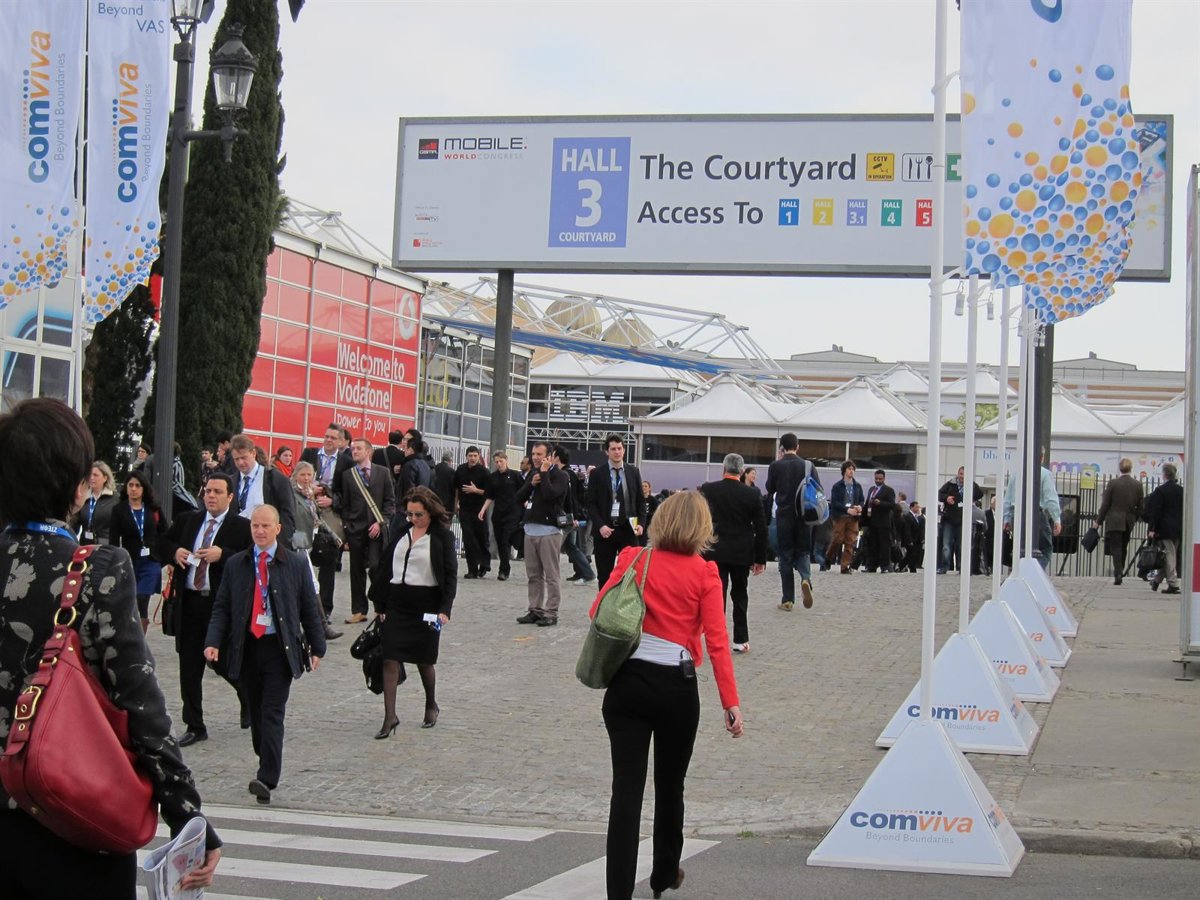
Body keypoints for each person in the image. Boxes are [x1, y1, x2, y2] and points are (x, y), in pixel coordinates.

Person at [0, 398, 221, 895]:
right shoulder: (94, 568)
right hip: (68, 810)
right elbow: (138, 699)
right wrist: (186, 812)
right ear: (78, 487)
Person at [593, 491, 743, 900]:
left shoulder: (632, 558)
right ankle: (662, 875)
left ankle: (618, 893)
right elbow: (717, 642)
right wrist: (730, 702)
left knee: (625, 793)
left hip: (627, 683)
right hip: (676, 687)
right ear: (702, 529)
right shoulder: (705, 573)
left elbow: (598, 612)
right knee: (670, 786)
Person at [204, 506, 327, 806]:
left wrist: (317, 646)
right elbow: (222, 606)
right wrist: (213, 641)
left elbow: (309, 608)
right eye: (255, 526)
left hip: (279, 648)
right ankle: (265, 754)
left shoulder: (294, 563)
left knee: (272, 711)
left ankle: (267, 777)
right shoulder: (237, 563)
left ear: (277, 529)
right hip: (246, 647)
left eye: (265, 526)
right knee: (256, 711)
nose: (259, 531)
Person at [156, 472, 253, 746]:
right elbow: (161, 542)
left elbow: (253, 558)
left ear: (230, 497)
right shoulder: (188, 520)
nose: (211, 496)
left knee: (222, 662)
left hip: (219, 604)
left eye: (217, 492)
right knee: (189, 666)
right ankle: (195, 725)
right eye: (208, 491)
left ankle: (246, 694)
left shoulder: (241, 527)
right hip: (189, 601)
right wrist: (174, 552)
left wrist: (223, 555)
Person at [370, 486, 457, 736]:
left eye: (419, 514)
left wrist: (445, 609)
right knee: (390, 657)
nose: (414, 519)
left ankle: (431, 703)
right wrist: (380, 605)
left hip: (427, 605)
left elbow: (450, 575)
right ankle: (390, 717)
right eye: (410, 514)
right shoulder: (401, 532)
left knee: (424, 659)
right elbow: (385, 569)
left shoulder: (442, 537)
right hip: (397, 603)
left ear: (430, 512)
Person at [699, 453, 767, 653]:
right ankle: (740, 639)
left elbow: (700, 519)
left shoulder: (708, 490)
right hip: (741, 551)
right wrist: (760, 558)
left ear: (724, 468)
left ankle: (715, 638)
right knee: (740, 595)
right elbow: (761, 528)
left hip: (714, 550)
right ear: (742, 471)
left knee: (715, 596)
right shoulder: (752, 494)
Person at [337, 438, 396, 624]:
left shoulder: (383, 472)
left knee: (377, 567)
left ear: (368, 452)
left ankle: (380, 607)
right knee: (356, 571)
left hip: (377, 529)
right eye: (353, 448)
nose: (354, 451)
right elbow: (346, 504)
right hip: (356, 529)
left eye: (358, 448)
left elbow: (390, 501)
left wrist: (381, 522)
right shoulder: (348, 475)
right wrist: (348, 526)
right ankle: (359, 610)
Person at [515, 442, 569, 626]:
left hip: (549, 532)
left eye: (539, 454)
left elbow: (550, 494)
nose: (535, 458)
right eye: (533, 454)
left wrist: (545, 474)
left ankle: (551, 612)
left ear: (550, 456)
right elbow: (518, 498)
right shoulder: (533, 474)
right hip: (530, 530)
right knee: (533, 575)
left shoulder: (561, 475)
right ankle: (535, 609)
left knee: (551, 574)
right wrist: (531, 484)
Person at [108, 470, 168, 633]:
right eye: (131, 485)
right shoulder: (119, 510)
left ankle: (140, 634)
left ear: (144, 488)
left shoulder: (153, 509)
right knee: (131, 599)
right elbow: (113, 539)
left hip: (150, 562)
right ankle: (133, 633)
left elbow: (165, 532)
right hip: (130, 561)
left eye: (137, 485)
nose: (133, 489)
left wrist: (163, 557)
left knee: (142, 597)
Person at [586, 435, 648, 588]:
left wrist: (641, 523)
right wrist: (600, 525)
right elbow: (591, 503)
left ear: (624, 450)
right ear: (607, 451)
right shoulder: (597, 474)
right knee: (604, 576)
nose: (617, 452)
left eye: (620, 448)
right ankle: (604, 602)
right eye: (613, 449)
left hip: (628, 529)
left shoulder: (633, 472)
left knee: (630, 573)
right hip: (605, 531)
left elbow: (640, 500)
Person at [290, 462, 342, 642]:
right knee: (311, 583)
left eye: (309, 475)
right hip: (298, 544)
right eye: (302, 475)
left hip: (310, 541)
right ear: (295, 475)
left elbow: (317, 519)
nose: (306, 478)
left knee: (306, 584)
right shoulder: (291, 494)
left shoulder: (309, 494)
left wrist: (333, 535)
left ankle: (313, 625)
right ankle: (321, 626)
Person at [764, 433, 815, 610]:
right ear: (797, 446)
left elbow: (770, 488)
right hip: (803, 516)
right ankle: (805, 579)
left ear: (782, 448)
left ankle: (787, 600)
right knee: (803, 552)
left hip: (784, 516)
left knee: (785, 556)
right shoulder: (808, 465)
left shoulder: (776, 465)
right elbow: (817, 488)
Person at [230, 433, 296, 547]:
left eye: (244, 457)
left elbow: (288, 514)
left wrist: (279, 545)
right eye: (236, 459)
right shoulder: (231, 481)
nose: (240, 463)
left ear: (253, 453)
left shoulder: (275, 478)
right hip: (238, 543)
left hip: (267, 543)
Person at [1002, 463, 1062, 571]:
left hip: (1017, 514)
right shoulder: (1045, 474)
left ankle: (1020, 571)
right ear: (1041, 458)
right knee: (1045, 549)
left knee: (1021, 549)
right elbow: (1050, 499)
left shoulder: (1016, 474)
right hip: (1036, 514)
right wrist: (1056, 518)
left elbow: (1008, 499)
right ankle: (1034, 572)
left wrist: (1007, 519)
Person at [1096, 458, 1144, 585]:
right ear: (1131, 468)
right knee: (1124, 546)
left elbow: (1105, 504)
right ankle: (1120, 569)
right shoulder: (1138, 485)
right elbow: (1141, 507)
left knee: (1115, 547)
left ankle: (1118, 573)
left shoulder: (1113, 483)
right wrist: (1134, 517)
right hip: (1129, 521)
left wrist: (1098, 521)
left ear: (1120, 468)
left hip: (1114, 520)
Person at [556, 447, 597, 585]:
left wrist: (573, 516)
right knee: (571, 546)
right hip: (571, 515)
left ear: (557, 458)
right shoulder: (570, 474)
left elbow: (571, 498)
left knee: (559, 545)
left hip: (567, 517)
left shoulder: (565, 474)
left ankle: (587, 573)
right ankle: (583, 572)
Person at [482, 450, 523, 581]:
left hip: (513, 512)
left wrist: (525, 505)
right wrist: (483, 510)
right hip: (498, 513)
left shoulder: (515, 475)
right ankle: (505, 565)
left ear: (506, 460)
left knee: (505, 539)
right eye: (496, 462)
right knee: (500, 541)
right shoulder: (492, 477)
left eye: (501, 461)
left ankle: (503, 570)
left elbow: (524, 492)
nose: (499, 464)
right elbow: (489, 496)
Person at [937, 466, 984, 574]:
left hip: (963, 520)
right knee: (946, 545)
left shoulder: (970, 485)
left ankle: (961, 567)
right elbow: (940, 494)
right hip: (949, 519)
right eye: (961, 474)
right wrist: (946, 498)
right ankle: (944, 566)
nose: (962, 476)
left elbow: (980, 493)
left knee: (961, 545)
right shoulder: (951, 484)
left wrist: (970, 484)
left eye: (964, 474)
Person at [1145, 462, 1183, 594]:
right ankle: (1156, 580)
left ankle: (1173, 583)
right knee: (1169, 554)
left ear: (1164, 475)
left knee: (1169, 555)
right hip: (1178, 528)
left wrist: (1152, 529)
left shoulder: (1160, 491)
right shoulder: (1181, 490)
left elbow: (1156, 512)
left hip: (1165, 528)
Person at [455, 446, 492, 579]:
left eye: (475, 456)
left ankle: (484, 565)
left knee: (482, 537)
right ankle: (472, 569)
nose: (472, 458)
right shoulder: (460, 469)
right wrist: (456, 504)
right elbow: (456, 488)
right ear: (466, 456)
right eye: (470, 455)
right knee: (468, 539)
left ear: (478, 456)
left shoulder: (484, 472)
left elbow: (490, 493)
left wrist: (475, 490)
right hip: (465, 509)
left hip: (479, 510)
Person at [826, 461, 864, 574]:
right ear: (844, 471)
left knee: (850, 541)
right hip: (841, 516)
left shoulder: (857, 486)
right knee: (838, 539)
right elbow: (835, 502)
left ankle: (844, 566)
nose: (851, 471)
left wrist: (860, 506)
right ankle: (828, 556)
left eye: (853, 469)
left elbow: (861, 500)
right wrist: (847, 510)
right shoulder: (837, 486)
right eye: (849, 469)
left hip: (853, 518)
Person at [862, 469, 897, 573]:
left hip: (883, 523)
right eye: (876, 478)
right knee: (872, 545)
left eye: (880, 479)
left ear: (884, 478)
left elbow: (892, 505)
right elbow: (867, 503)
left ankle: (885, 566)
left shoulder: (889, 490)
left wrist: (880, 503)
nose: (878, 480)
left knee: (884, 546)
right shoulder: (871, 489)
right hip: (872, 521)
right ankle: (871, 566)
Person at [75, 460, 117, 543]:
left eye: (95, 475)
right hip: (85, 545)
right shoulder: (83, 497)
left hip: (106, 546)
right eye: (90, 474)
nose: (91, 477)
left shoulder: (115, 499)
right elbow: (74, 523)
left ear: (105, 478)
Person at [171, 442, 199, 518]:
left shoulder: (176, 463)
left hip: (176, 492)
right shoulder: (175, 462)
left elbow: (178, 482)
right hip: (177, 492)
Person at [900, 500, 925, 573]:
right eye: (916, 507)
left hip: (917, 540)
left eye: (918, 507)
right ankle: (903, 566)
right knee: (911, 554)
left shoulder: (917, 517)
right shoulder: (908, 516)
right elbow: (907, 529)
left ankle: (911, 568)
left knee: (913, 555)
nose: (918, 508)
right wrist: (909, 540)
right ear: (911, 507)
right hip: (911, 539)